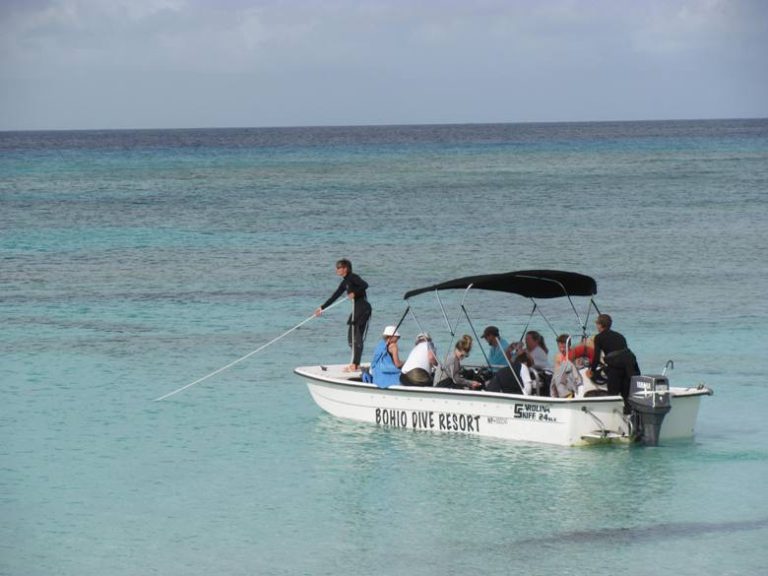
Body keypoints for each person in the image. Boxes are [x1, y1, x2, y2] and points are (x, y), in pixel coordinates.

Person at [315, 258, 371, 372]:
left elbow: (365, 285)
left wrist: (355, 293)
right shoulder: (345, 282)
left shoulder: (353, 277)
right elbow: (335, 296)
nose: (336, 270)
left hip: (363, 308)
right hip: (357, 309)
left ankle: (355, 365)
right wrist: (322, 308)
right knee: (351, 338)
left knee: (356, 337)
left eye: (338, 267)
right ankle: (356, 363)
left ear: (345, 268)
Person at [588, 314, 640, 412]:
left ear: (600, 325)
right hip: (630, 365)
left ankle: (614, 417)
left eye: (597, 324)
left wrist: (592, 370)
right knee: (626, 394)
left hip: (616, 366)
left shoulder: (599, 337)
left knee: (613, 394)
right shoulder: (620, 336)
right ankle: (629, 417)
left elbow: (596, 357)